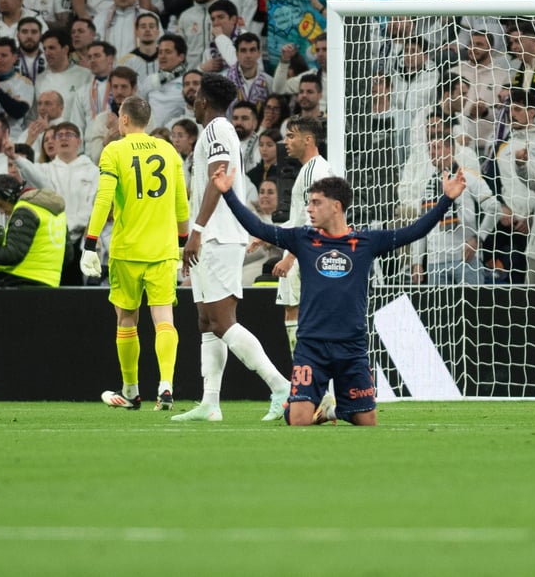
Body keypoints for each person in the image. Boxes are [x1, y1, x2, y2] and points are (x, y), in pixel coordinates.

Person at [213, 164, 468, 425]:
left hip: (351, 347)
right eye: (309, 203)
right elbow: (259, 227)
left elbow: (413, 231)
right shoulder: (303, 239)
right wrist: (228, 193)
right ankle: (299, 405)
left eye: (315, 203)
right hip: (311, 346)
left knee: (367, 421)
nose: (309, 209)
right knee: (298, 420)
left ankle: (332, 411)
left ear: (335, 206)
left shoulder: (366, 242)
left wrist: (446, 199)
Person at [173, 73, 291, 422]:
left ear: (204, 102)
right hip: (212, 236)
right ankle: (210, 403)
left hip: (219, 235)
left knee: (223, 321)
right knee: (207, 322)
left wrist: (196, 230)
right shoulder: (215, 131)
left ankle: (281, 386)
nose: (192, 103)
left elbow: (218, 178)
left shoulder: (217, 129)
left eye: (195, 98)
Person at [80, 96, 190, 411]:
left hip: (127, 250)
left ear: (124, 120)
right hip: (164, 248)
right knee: (164, 317)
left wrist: (91, 242)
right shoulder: (168, 151)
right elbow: (181, 203)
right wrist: (182, 245)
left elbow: (103, 199)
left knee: (127, 317)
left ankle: (131, 390)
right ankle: (166, 386)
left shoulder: (114, 151)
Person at [274, 116, 335, 353]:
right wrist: (268, 236)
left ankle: (306, 377)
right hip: (309, 249)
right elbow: (300, 218)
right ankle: (310, 379)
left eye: (291, 136)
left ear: (308, 139)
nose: (285, 142)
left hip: (308, 252)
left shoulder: (314, 171)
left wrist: (291, 257)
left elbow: (317, 219)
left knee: (296, 310)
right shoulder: (311, 169)